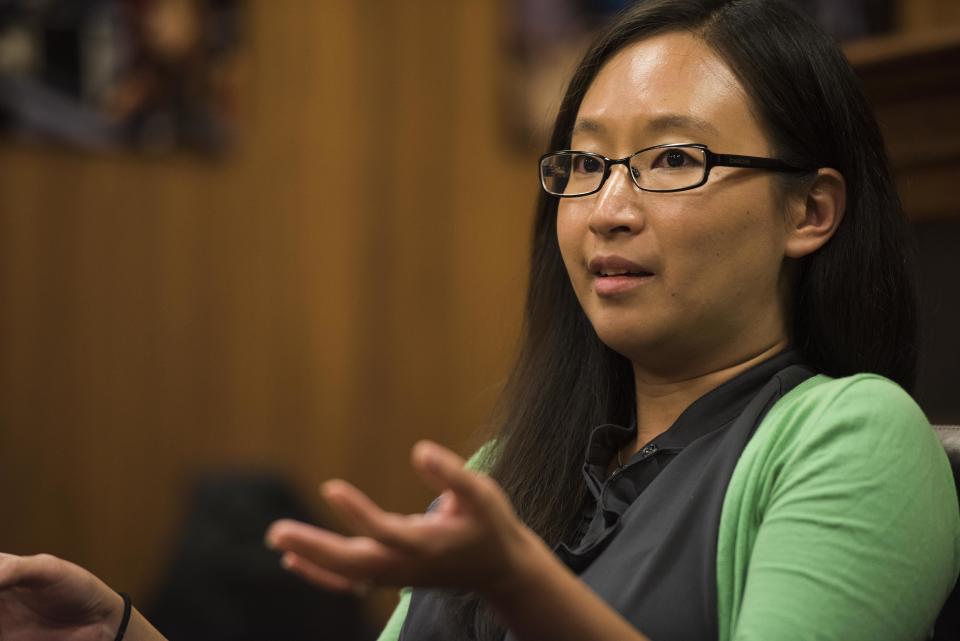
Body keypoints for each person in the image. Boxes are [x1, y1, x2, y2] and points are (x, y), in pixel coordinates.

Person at [1, 1, 957, 640]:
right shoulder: (511, 469)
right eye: (583, 165)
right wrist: (124, 632)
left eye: (671, 161)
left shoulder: (853, 436)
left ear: (810, 211)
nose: (608, 207)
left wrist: (519, 586)